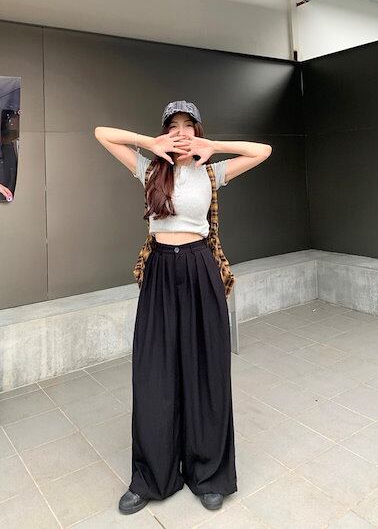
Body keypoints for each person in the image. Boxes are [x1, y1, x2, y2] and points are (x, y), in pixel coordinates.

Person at [94, 100, 272, 514]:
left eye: (188, 125)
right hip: (159, 269)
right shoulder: (149, 169)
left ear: (197, 131)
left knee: (206, 370)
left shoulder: (212, 171)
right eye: (172, 125)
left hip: (199, 267)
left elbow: (263, 151)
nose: (180, 131)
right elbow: (102, 134)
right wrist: (149, 143)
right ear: (164, 132)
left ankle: (208, 474)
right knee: (153, 373)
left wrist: (213, 147)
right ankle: (152, 477)